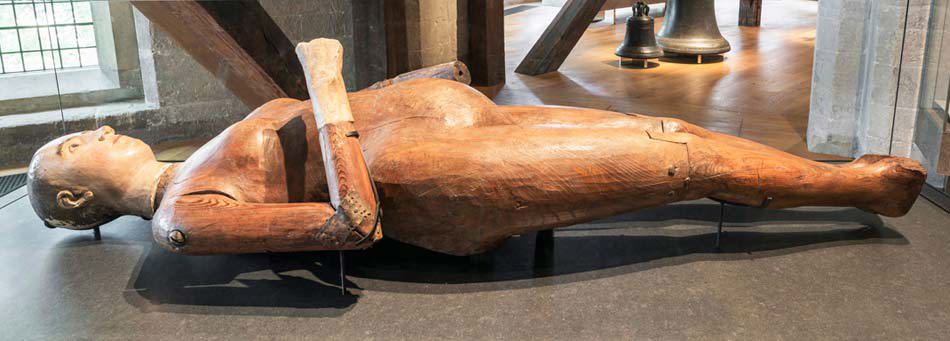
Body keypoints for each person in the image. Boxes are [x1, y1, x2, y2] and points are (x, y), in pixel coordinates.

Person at [27, 39, 926, 256]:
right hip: (426, 178)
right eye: (77, 144)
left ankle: (833, 184)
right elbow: (352, 222)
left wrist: (415, 81)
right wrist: (334, 89)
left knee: (674, 131)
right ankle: (852, 190)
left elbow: (314, 115)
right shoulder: (184, 217)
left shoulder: (193, 157)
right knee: (668, 160)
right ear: (77, 201)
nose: (102, 128)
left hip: (432, 124)